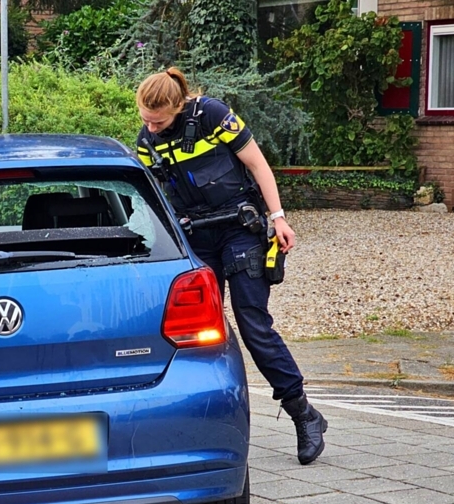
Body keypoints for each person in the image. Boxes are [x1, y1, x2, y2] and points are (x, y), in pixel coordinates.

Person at [135, 67, 327, 465]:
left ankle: (303, 413)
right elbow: (153, 205)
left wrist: (278, 218)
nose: (150, 128)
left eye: (157, 121)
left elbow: (257, 165)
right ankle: (201, 425)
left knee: (253, 323)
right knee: (198, 332)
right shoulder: (146, 141)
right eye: (144, 119)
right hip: (195, 239)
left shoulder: (211, 114)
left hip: (239, 230)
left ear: (177, 107)